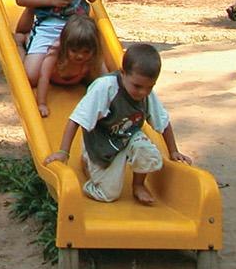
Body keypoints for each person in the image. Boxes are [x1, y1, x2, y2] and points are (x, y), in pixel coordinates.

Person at [44, 42, 191, 206]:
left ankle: (138, 184)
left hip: (128, 137)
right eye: (137, 86)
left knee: (148, 151)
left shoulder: (146, 93)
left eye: (149, 87)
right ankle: (89, 164)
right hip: (100, 144)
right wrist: (63, 152)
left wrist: (174, 151)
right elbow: (76, 119)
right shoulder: (105, 88)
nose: (143, 92)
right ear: (123, 73)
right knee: (109, 194)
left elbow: (163, 122)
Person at [31, 14, 104, 119]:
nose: (80, 56)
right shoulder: (55, 54)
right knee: (31, 72)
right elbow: (44, 77)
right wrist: (41, 104)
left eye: (86, 51)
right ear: (65, 46)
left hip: (74, 84)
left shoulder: (92, 59)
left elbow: (105, 79)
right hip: (52, 78)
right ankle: (22, 42)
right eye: (74, 50)